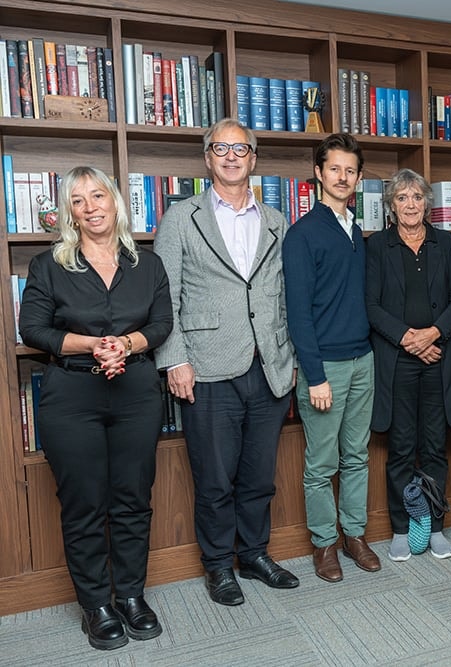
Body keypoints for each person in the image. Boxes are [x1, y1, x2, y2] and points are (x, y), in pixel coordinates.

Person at [19, 166, 172, 650]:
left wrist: (125, 343)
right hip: (72, 397)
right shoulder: (48, 266)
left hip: (137, 394)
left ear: (115, 201)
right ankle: (96, 606)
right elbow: (34, 330)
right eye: (79, 200)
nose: (91, 207)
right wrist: (94, 344)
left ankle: (129, 596)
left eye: (98, 195)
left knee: (132, 499)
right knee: (84, 504)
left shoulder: (147, 264)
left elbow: (163, 322)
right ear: (70, 212)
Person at [154, 118, 298, 607]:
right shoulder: (182, 218)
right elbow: (164, 295)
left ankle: (254, 554)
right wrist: (174, 360)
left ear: (254, 159)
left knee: (259, 474)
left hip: (270, 365)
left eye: (242, 148)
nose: (232, 156)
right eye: (221, 148)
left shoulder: (277, 220)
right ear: (207, 158)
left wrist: (292, 358)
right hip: (207, 366)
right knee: (214, 477)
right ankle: (219, 566)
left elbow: (285, 297)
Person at [282, 133, 381, 583]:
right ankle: (324, 544)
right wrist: (315, 375)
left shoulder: (355, 230)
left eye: (350, 170)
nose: (342, 177)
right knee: (322, 465)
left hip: (364, 360)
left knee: (357, 456)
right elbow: (298, 312)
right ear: (318, 173)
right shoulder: (303, 233)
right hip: (326, 369)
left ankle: (354, 535)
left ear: (358, 179)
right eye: (334, 169)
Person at [366, 168, 451, 562]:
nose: (411, 205)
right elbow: (371, 306)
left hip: (438, 358)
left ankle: (436, 527)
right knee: (402, 449)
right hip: (398, 361)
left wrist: (432, 335)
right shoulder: (378, 246)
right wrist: (410, 338)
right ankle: (403, 527)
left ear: (428, 203)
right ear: (391, 206)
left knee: (434, 448)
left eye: (417, 197)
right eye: (402, 198)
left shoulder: (446, 242)